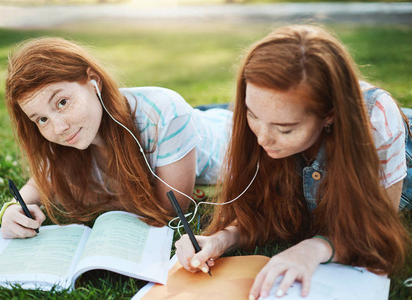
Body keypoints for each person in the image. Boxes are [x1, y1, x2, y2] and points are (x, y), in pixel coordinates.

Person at [175, 24, 410, 299]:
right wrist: (221, 238)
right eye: (252, 115)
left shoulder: (376, 121)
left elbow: (377, 230)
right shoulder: (264, 117)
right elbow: (264, 210)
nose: (263, 138)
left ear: (329, 115)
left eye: (285, 128)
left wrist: (315, 248)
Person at [0, 37, 232, 239]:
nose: (59, 128)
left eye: (62, 102)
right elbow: (40, 184)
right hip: (195, 118)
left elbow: (171, 208)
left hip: (230, 130)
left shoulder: (166, 113)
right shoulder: (71, 136)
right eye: (41, 119)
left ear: (94, 81)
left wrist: (95, 199)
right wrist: (11, 210)